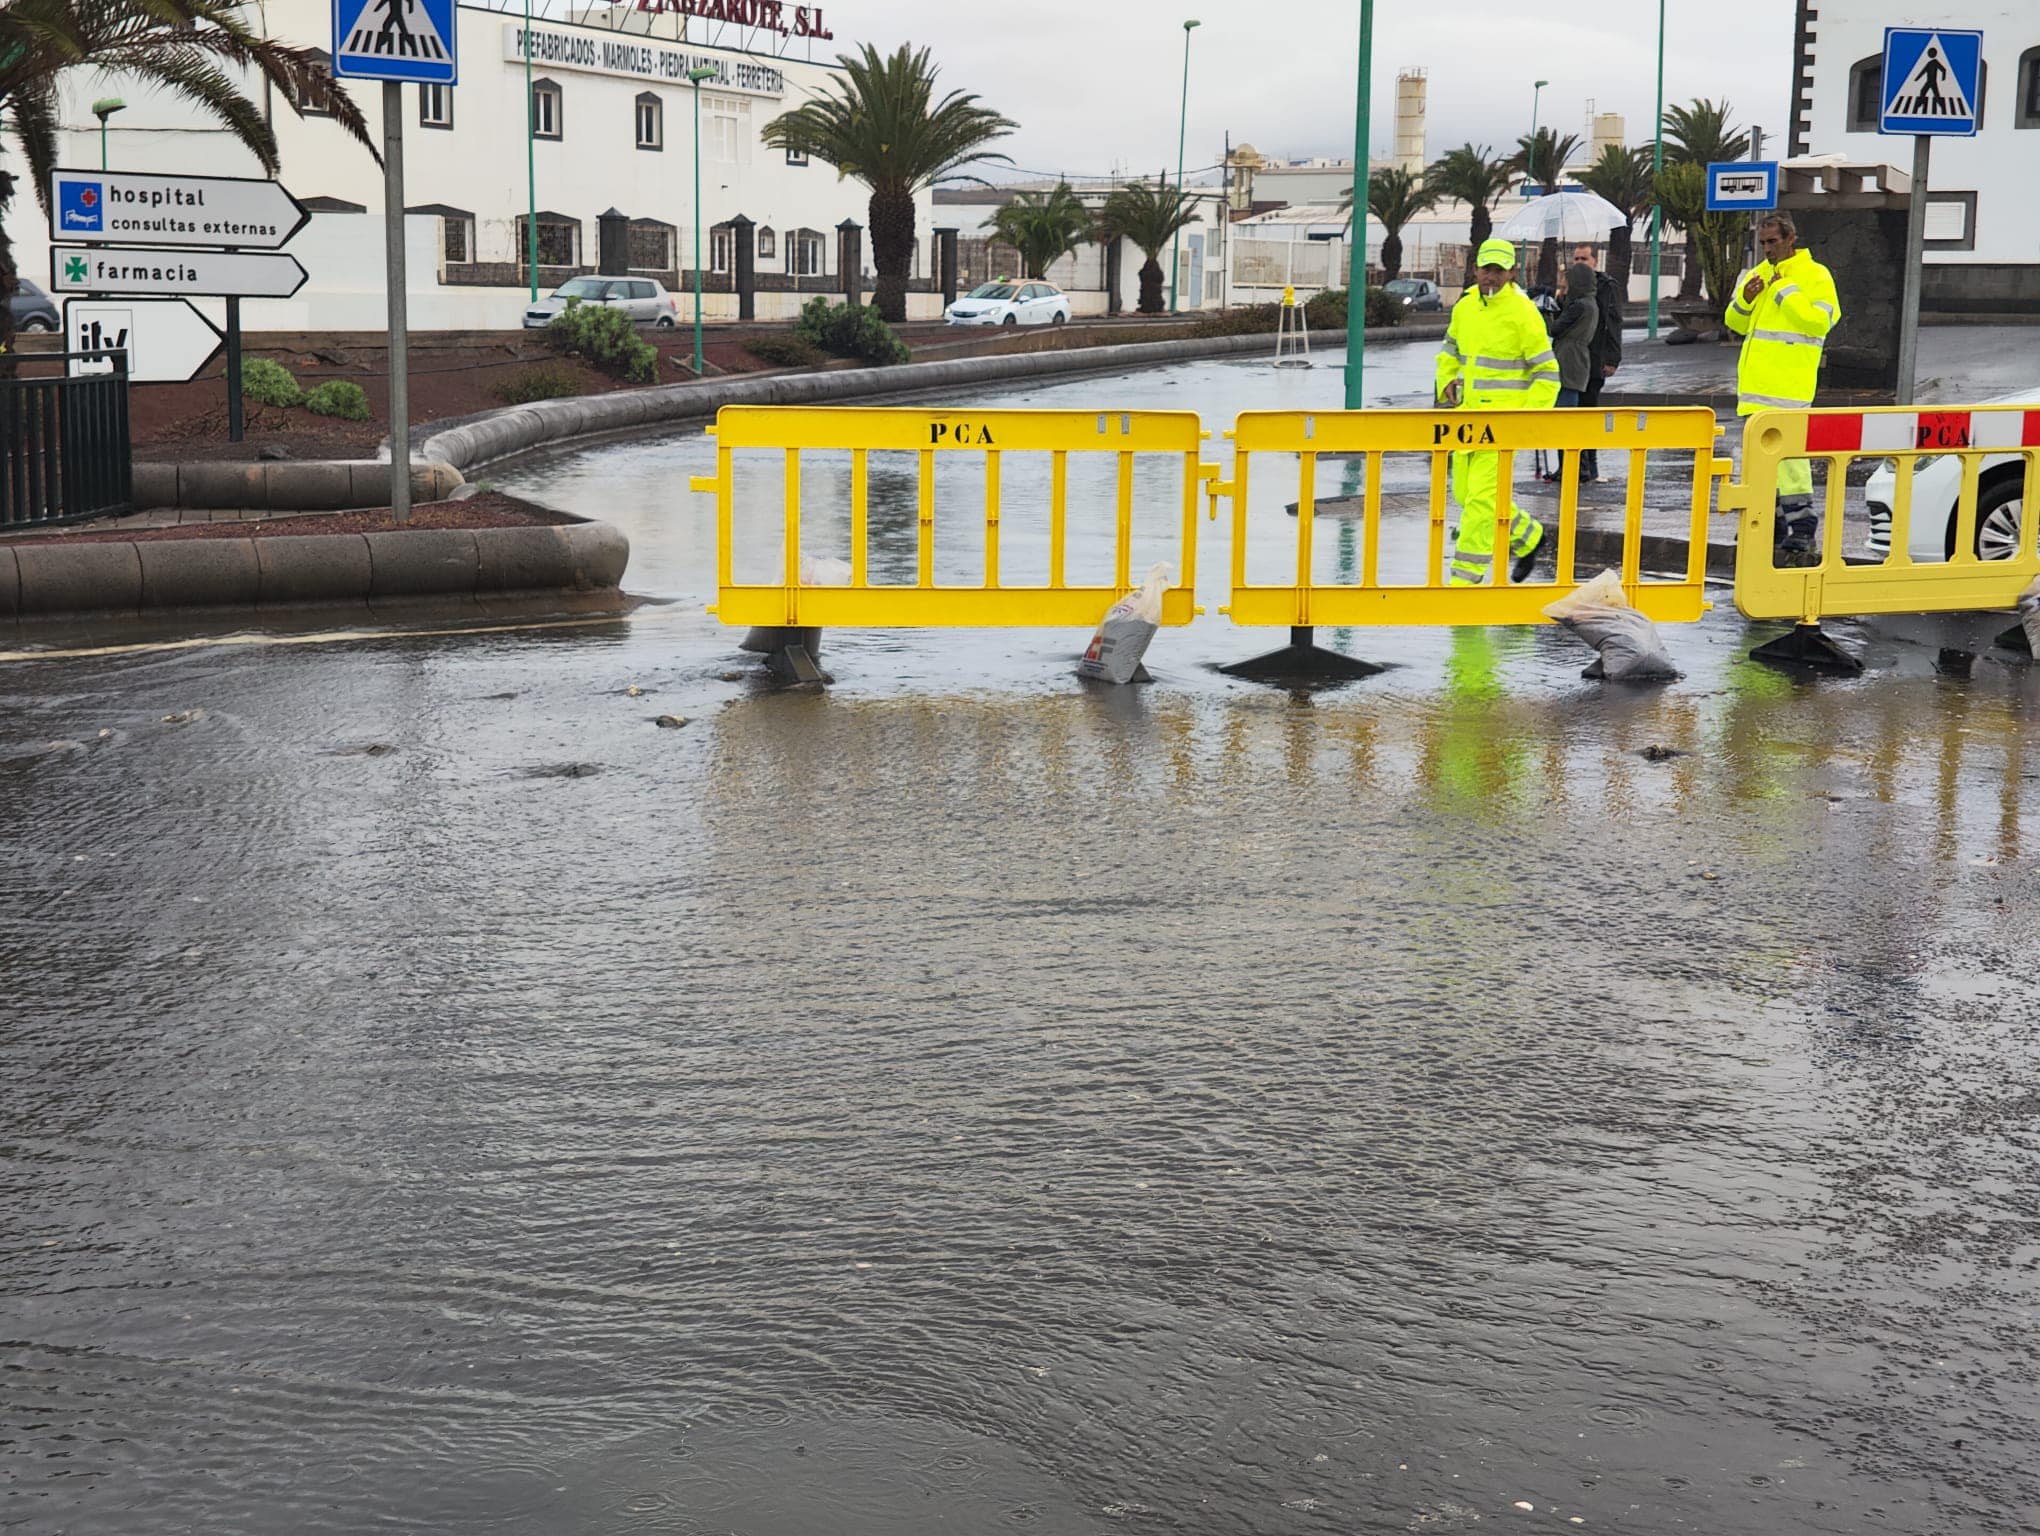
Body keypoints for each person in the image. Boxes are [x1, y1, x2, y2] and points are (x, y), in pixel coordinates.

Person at [1435, 238, 1562, 585]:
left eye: (1498, 270)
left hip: (1503, 426)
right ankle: (1529, 536)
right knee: (1466, 495)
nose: (1490, 277)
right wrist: (1445, 379)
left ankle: (1464, 581)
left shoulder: (1524, 313)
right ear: (1475, 269)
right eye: (1485, 269)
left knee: (1479, 503)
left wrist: (1526, 421)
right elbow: (1450, 349)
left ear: (1511, 273)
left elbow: (1548, 375)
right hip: (1467, 421)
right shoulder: (1464, 308)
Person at [1723, 211, 1841, 553]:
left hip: (1789, 389)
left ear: (1791, 238)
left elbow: (1820, 322)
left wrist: (1785, 291)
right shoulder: (1758, 273)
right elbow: (1734, 323)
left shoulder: (1815, 275)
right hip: (1754, 390)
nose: (1767, 250)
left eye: (1772, 242)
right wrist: (1745, 297)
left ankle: (1802, 529)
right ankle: (1768, 524)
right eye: (1762, 243)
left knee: (1791, 463)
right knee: (1756, 463)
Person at [1538, 259, 1600, 482]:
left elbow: (1554, 329)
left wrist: (1545, 311)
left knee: (1565, 419)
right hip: (1578, 361)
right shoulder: (1590, 302)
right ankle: (1570, 467)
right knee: (1568, 417)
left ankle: (1573, 468)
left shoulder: (1579, 306)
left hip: (1568, 362)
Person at [1572, 243, 1624, 482]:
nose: (1579, 262)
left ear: (1594, 261)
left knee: (1588, 413)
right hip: (1573, 363)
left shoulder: (1606, 287)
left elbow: (1613, 322)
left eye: (1584, 258)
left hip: (1594, 361)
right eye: (1576, 258)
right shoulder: (1570, 287)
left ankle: (1590, 466)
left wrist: (1612, 358)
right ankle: (1574, 464)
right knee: (1570, 416)